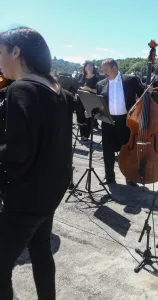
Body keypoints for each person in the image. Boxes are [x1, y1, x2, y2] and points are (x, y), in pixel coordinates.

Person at [0, 26, 76, 300]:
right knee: (41, 249)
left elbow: (16, 153)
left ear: (16, 51)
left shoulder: (20, 90)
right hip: (51, 193)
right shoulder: (61, 93)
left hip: (26, 198)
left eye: (0, 52)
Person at [96, 58, 145, 185]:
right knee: (107, 149)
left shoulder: (130, 80)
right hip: (108, 121)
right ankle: (109, 176)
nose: (104, 72)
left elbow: (143, 95)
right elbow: (99, 104)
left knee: (128, 150)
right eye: (102, 70)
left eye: (106, 69)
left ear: (114, 67)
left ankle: (130, 176)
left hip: (126, 120)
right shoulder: (100, 84)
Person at [76, 60, 100, 140]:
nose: (90, 67)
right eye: (88, 66)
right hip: (80, 100)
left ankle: (86, 135)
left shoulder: (96, 78)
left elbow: (98, 91)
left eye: (91, 66)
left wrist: (88, 89)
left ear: (93, 67)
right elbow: (78, 86)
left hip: (90, 100)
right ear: (85, 67)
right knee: (80, 116)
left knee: (88, 118)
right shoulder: (81, 76)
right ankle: (82, 134)